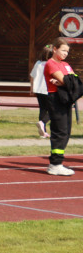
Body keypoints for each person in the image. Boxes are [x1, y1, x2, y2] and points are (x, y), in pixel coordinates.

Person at [44, 38, 77, 177]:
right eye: (63, 50)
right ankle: (55, 164)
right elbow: (66, 80)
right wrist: (66, 81)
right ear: (55, 49)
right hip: (55, 99)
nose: (66, 54)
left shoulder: (66, 64)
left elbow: (75, 82)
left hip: (65, 100)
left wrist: (67, 81)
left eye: (67, 51)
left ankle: (57, 163)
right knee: (60, 131)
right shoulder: (50, 64)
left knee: (66, 131)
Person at [30, 45, 55, 139]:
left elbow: (32, 76)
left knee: (43, 110)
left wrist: (31, 88)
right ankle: (43, 122)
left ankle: (43, 132)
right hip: (48, 89)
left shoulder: (38, 63)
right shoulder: (51, 64)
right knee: (54, 109)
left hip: (38, 90)